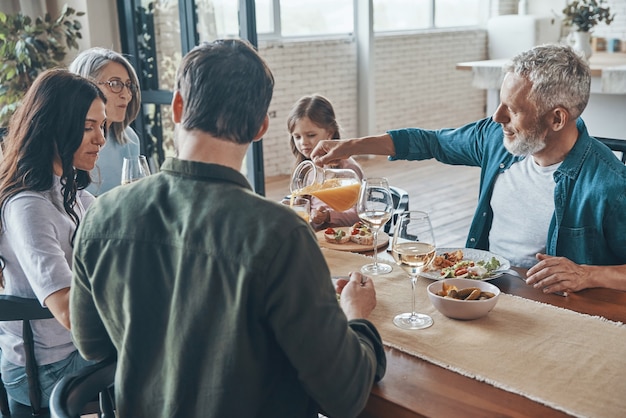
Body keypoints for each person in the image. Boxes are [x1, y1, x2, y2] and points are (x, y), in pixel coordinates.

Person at [70, 39, 386, 418]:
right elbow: (345, 396)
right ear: (261, 127)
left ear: (177, 107)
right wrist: (357, 317)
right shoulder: (281, 234)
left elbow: (92, 345)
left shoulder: (101, 216)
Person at [311, 44, 626, 294]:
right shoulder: (496, 139)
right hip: (484, 290)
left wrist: (586, 274)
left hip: (556, 310)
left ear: (556, 119)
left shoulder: (610, 184)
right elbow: (431, 142)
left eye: (512, 110)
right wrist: (352, 146)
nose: (496, 116)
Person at [0, 68, 106, 408]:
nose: (101, 138)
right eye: (88, 127)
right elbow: (68, 312)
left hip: (73, 352)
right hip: (45, 368)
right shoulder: (28, 205)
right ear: (53, 126)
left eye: (102, 126)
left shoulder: (72, 193)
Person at [69, 47, 142, 195]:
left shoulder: (130, 139)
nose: (127, 95)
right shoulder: (66, 141)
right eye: (115, 84)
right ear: (86, 86)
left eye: (129, 85)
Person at [287, 94, 364, 230]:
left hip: (340, 237)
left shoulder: (348, 169)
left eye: (311, 135)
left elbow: (359, 214)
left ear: (329, 133)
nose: (303, 142)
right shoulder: (306, 168)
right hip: (315, 236)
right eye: (297, 137)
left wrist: (328, 216)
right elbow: (304, 206)